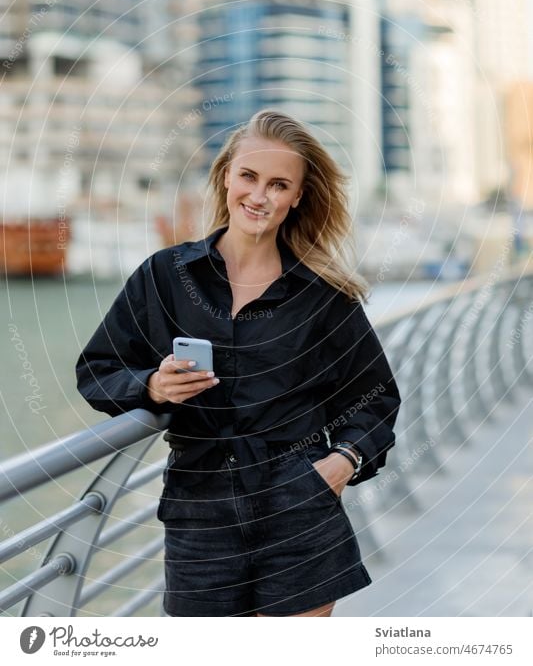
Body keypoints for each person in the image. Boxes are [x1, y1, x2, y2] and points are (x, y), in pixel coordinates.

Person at [76, 109, 401, 617]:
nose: (258, 195)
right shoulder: (165, 276)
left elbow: (376, 397)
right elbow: (97, 370)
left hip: (300, 509)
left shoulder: (323, 295)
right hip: (199, 511)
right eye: (248, 176)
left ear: (296, 197)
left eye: (278, 184)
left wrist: (343, 462)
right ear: (226, 173)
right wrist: (154, 387)